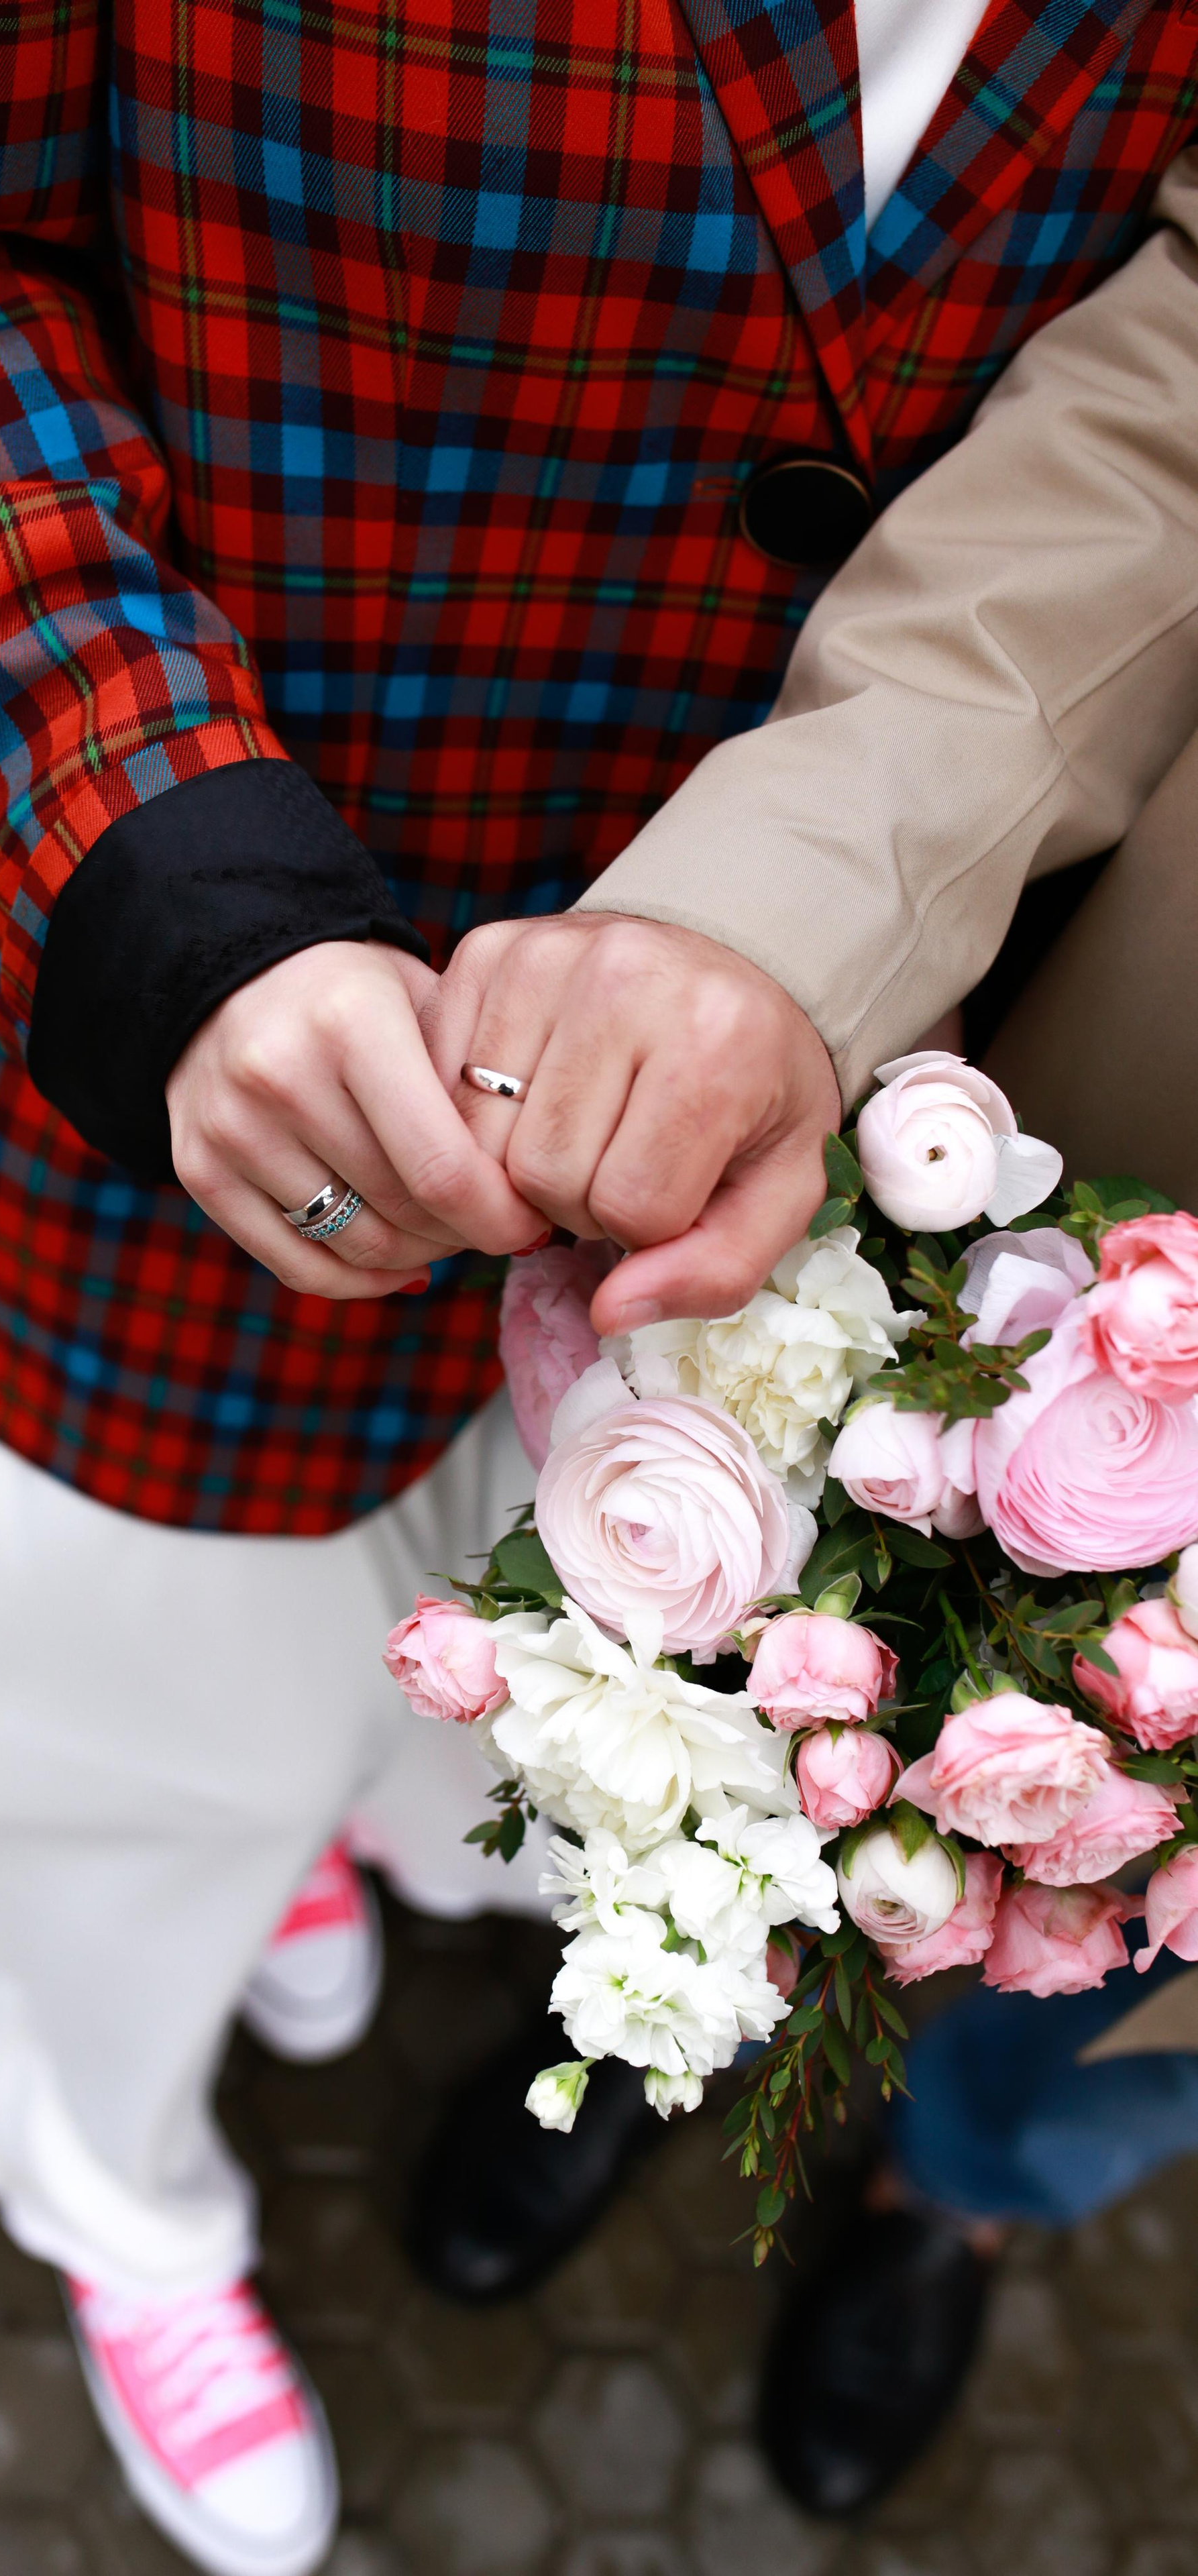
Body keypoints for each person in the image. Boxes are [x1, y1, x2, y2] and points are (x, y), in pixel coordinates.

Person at [0, 3, 1191, 2571]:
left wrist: (806, 919)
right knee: (76, 1743)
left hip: (846, 1139)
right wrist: (158, 848)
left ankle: (299, 1874)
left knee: (432, 1737)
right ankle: (116, 2181)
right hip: (165, 1070)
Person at [411, 132, 1198, 2516]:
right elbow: (1168, 412)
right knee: (812, 1735)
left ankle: (958, 2195)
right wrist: (766, 934)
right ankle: (670, 2038)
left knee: (1115, 2007)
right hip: (1115, 1212)